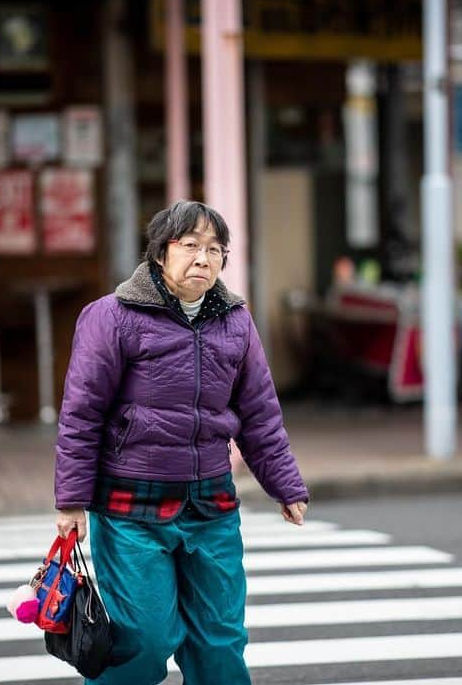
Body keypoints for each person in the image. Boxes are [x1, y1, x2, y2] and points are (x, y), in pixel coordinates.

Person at [53, 200, 310, 685]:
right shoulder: (112, 317)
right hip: (131, 512)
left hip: (210, 506)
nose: (203, 259)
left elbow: (260, 413)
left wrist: (286, 485)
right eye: (190, 245)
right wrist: (71, 500)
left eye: (215, 249)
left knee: (219, 643)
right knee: (141, 644)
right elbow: (81, 413)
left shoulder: (236, 322)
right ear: (159, 253)